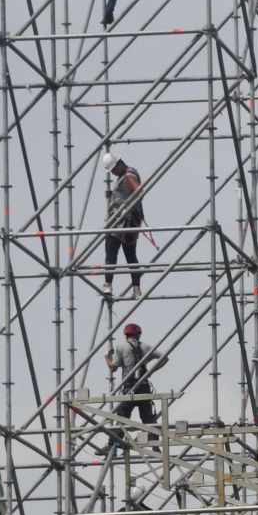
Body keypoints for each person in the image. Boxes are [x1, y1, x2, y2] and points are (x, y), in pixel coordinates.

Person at [105, 322, 167, 451]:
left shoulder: (121, 347)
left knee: (122, 418)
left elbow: (113, 368)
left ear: (126, 335)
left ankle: (113, 446)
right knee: (148, 418)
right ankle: (155, 447)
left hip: (129, 387)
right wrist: (151, 371)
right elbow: (164, 358)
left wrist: (107, 357)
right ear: (138, 335)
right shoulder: (146, 346)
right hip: (144, 386)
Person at [102, 152, 148, 296]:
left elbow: (139, 191)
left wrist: (125, 207)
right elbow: (129, 193)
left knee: (111, 250)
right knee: (130, 255)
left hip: (121, 221)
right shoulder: (127, 175)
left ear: (119, 164)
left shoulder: (128, 175)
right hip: (129, 221)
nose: (113, 173)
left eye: (113, 170)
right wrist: (114, 195)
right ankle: (136, 289)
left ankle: (108, 285)